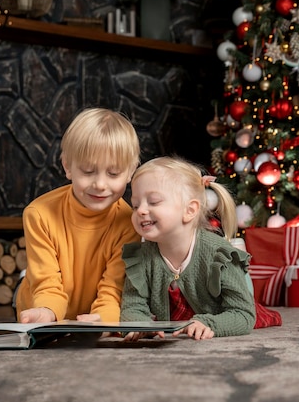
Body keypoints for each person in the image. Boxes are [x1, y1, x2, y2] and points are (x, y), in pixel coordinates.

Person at [121, 156, 282, 341]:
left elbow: (242, 314)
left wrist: (211, 324)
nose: (140, 211)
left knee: (249, 313)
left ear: (189, 210)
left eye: (154, 202)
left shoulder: (218, 255)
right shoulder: (141, 258)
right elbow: (132, 305)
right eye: (135, 205)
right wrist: (138, 324)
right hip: (176, 329)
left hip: (222, 316)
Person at [15, 107, 141, 324]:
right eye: (88, 171)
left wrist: (104, 318)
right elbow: (47, 282)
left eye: (113, 173)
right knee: (36, 283)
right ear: (68, 166)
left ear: (130, 172)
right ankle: (24, 279)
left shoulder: (129, 223)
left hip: (91, 316)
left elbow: (113, 288)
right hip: (43, 310)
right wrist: (46, 311)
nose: (100, 185)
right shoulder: (39, 214)